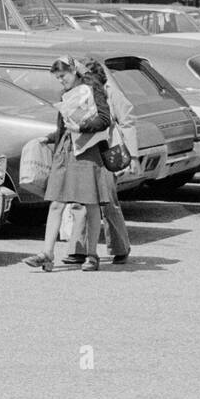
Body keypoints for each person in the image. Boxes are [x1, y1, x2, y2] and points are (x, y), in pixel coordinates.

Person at [24, 56, 112, 272]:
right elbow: (65, 124)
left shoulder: (92, 89)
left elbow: (104, 119)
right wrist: (51, 137)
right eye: (58, 78)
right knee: (56, 202)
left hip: (87, 150)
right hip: (66, 149)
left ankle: (92, 255)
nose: (61, 81)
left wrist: (82, 128)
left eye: (63, 76)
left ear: (74, 71)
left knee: (91, 204)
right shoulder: (66, 94)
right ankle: (47, 253)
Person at [65, 59, 134, 266]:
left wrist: (134, 156)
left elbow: (127, 121)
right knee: (81, 202)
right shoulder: (78, 94)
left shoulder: (109, 92)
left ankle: (120, 247)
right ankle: (78, 248)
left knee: (108, 201)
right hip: (84, 151)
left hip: (106, 152)